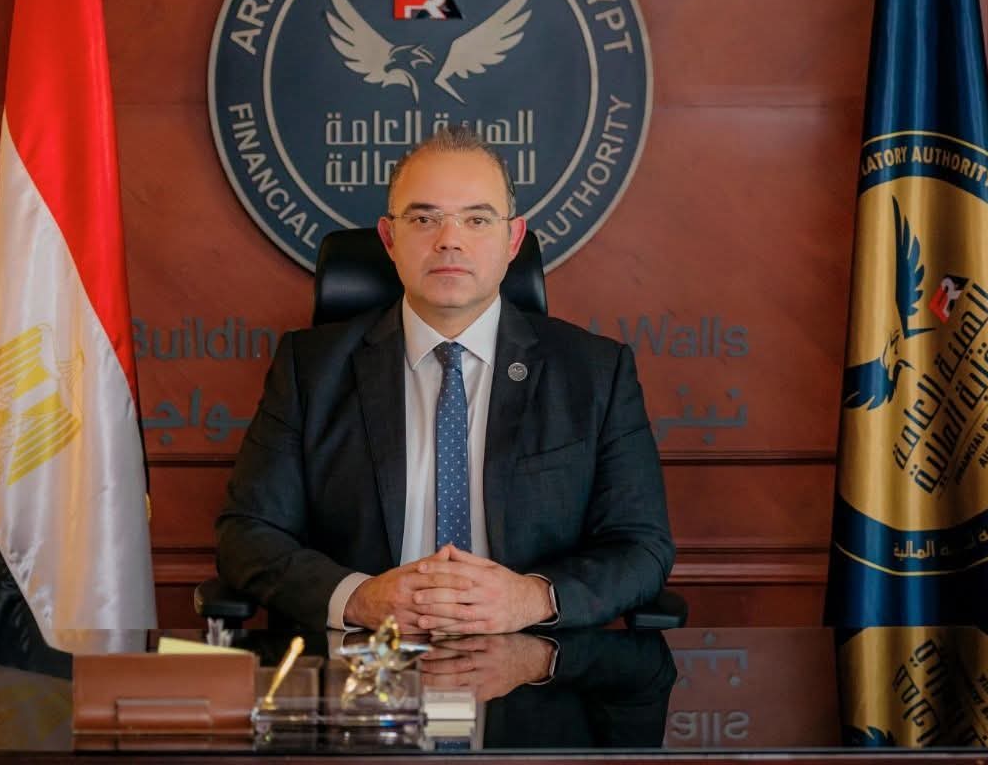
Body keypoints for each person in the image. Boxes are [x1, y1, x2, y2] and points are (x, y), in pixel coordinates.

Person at [215, 126, 673, 632]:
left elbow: (641, 546)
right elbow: (247, 534)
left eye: (477, 219)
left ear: (513, 239)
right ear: (389, 239)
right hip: (367, 659)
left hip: (533, 656)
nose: (449, 240)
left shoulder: (595, 373)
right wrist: (358, 598)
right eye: (424, 219)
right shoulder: (310, 369)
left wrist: (532, 598)